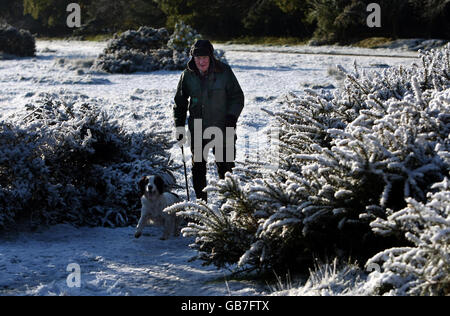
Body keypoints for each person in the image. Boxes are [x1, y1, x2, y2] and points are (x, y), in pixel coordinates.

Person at [174, 39, 244, 201]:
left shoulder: (224, 72)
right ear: (193, 58)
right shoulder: (187, 75)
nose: (201, 61)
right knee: (198, 168)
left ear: (211, 56)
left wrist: (232, 117)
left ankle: (230, 205)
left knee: (226, 167)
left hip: (223, 127)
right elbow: (180, 103)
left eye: (205, 57)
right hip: (198, 128)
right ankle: (201, 205)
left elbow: (237, 97)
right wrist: (179, 126)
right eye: (198, 57)